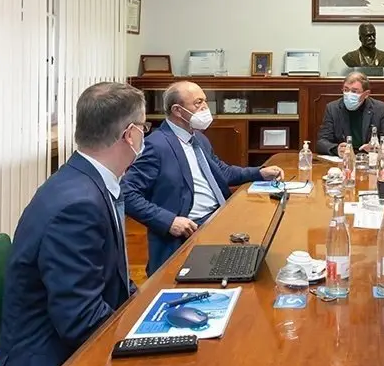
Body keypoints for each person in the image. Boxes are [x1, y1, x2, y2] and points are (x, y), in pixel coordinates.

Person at [0, 82, 144, 366]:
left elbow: (111, 280)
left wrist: (148, 310)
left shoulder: (83, 181)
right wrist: (146, 339)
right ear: (129, 135)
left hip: (65, 355)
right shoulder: (77, 204)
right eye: (143, 128)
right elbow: (81, 321)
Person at [121, 81, 284, 276]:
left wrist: (259, 172)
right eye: (198, 103)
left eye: (205, 101)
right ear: (178, 111)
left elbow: (221, 172)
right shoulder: (156, 145)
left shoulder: (198, 138)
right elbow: (126, 193)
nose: (205, 108)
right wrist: (168, 221)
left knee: (270, 249)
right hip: (190, 231)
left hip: (219, 218)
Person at [316, 71, 384, 157]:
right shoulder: (332, 108)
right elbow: (321, 142)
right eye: (346, 90)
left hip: (368, 159)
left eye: (354, 91)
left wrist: (377, 148)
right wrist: (337, 149)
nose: (349, 95)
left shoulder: (380, 108)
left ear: (366, 94)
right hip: (344, 161)